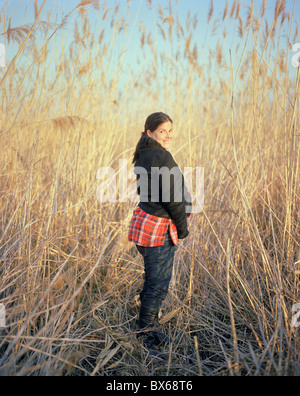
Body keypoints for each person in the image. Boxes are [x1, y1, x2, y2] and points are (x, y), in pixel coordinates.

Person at [128, 112, 192, 357]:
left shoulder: (144, 153)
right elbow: (172, 198)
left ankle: (148, 328)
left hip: (146, 223)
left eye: (170, 130)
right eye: (162, 131)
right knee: (158, 284)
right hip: (159, 229)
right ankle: (145, 335)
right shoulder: (160, 156)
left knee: (152, 279)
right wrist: (183, 228)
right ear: (149, 133)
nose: (168, 135)